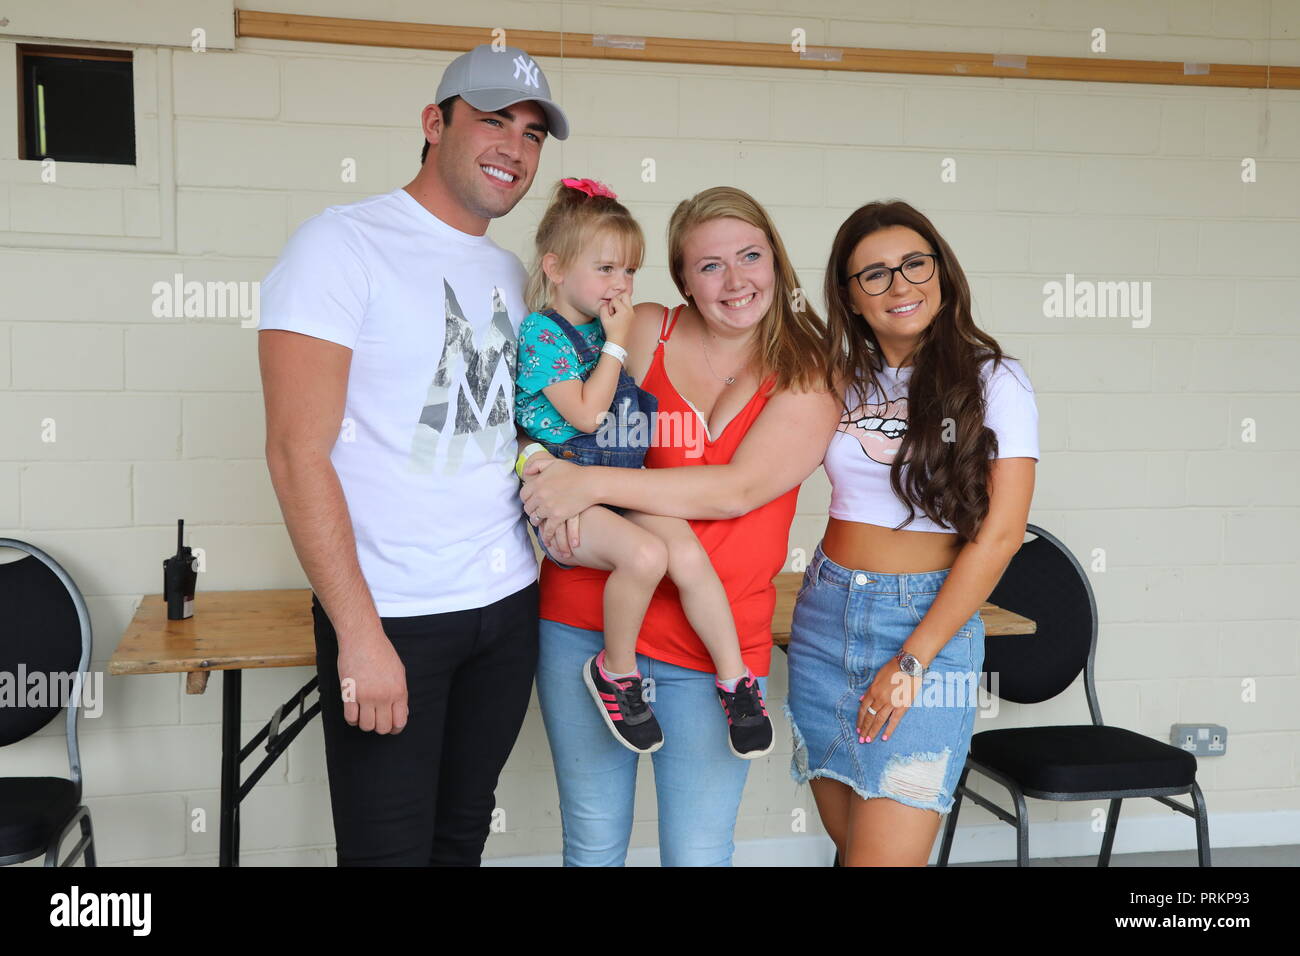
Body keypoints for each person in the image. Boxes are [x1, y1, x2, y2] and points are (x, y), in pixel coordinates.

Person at [256, 44, 569, 865]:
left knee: (461, 835)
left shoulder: (509, 271)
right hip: (391, 615)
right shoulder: (340, 245)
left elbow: (515, 430)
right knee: (385, 850)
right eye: (494, 121)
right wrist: (358, 632)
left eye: (533, 133)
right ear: (435, 124)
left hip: (506, 604)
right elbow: (296, 453)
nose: (515, 148)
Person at [518, 186, 841, 865]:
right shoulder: (643, 330)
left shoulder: (809, 374)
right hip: (590, 621)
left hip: (718, 648)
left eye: (750, 256)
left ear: (776, 262)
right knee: (592, 846)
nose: (735, 280)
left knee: (696, 854)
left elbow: (736, 491)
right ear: (683, 281)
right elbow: (561, 418)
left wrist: (589, 485)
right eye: (709, 266)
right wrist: (541, 482)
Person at [785, 200, 1038, 866]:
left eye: (913, 264)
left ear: (942, 274)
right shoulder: (836, 380)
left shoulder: (995, 381)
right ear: (850, 297)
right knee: (853, 853)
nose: (899, 285)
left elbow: (1002, 535)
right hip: (824, 622)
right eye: (874, 274)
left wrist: (912, 659)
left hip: (927, 628)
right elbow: (754, 475)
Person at [514, 177, 775, 759]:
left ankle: (735, 681)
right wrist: (614, 343)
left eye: (629, 272)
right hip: (566, 481)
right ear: (555, 268)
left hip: (609, 476)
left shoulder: (600, 328)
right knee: (646, 556)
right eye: (606, 270)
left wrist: (611, 336)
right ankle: (617, 671)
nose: (621, 286)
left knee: (686, 553)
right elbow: (585, 416)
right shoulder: (543, 334)